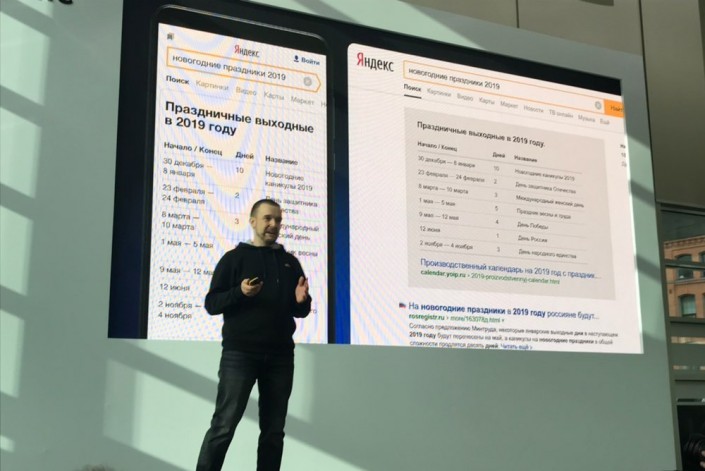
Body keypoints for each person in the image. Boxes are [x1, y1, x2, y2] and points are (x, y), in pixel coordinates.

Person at [196, 198, 311, 471]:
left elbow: (300, 310)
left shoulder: (290, 262)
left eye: (278, 220)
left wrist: (302, 301)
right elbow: (212, 304)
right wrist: (240, 292)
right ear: (252, 221)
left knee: (274, 432)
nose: (274, 224)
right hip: (240, 354)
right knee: (223, 425)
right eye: (268, 218)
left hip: (281, 357)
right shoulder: (233, 259)